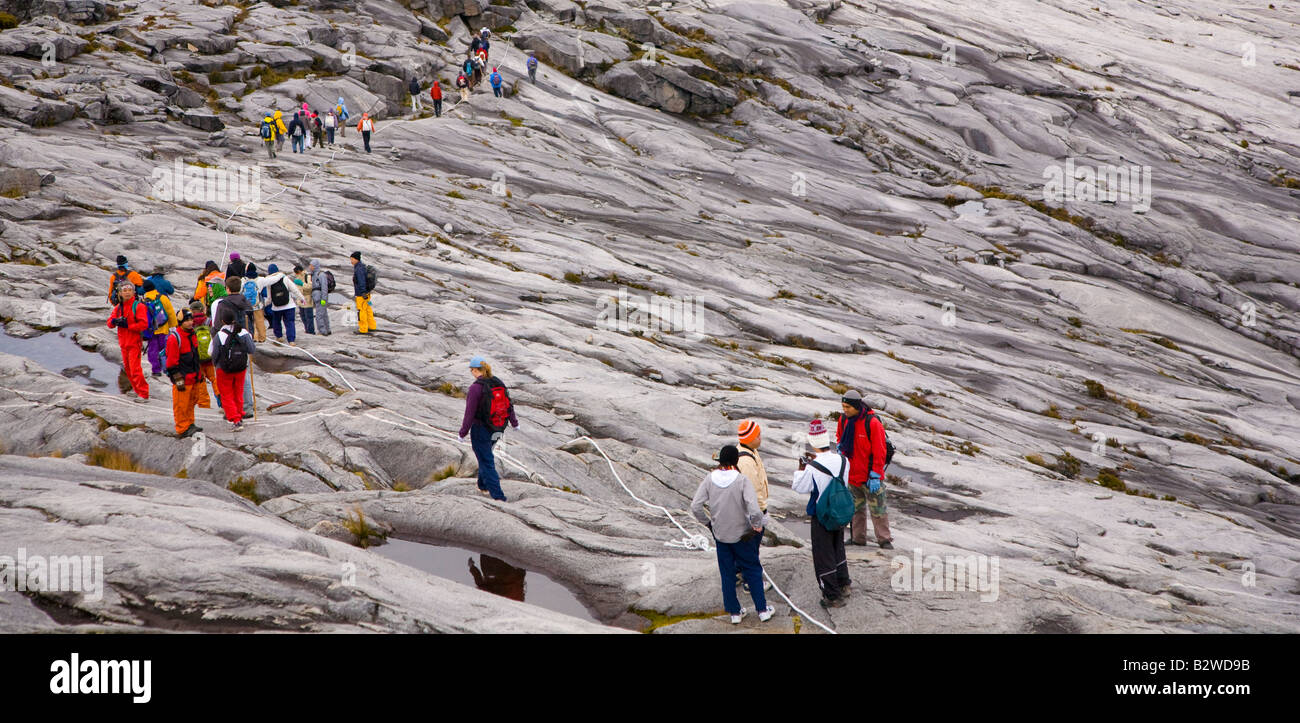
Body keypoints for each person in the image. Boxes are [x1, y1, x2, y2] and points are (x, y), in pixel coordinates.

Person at [690, 444, 776, 625]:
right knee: (752, 570)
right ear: (736, 460)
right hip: (742, 535)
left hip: (721, 535)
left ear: (719, 460)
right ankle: (762, 611)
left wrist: (708, 524)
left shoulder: (709, 479)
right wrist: (757, 526)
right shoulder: (742, 480)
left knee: (727, 574)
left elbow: (695, 506)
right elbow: (754, 509)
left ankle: (735, 613)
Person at [792, 419, 851, 608]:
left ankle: (832, 596)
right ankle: (844, 583)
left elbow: (800, 487)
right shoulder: (843, 460)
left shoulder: (813, 467)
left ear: (813, 442)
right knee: (838, 547)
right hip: (840, 510)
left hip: (822, 514)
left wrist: (802, 468)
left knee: (823, 554)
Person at [836, 390, 892, 548]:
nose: (845, 410)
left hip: (870, 477)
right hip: (852, 475)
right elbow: (839, 437)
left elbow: (880, 450)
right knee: (855, 509)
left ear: (856, 406)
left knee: (878, 510)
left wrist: (875, 474)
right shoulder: (843, 420)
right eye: (843, 406)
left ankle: (884, 540)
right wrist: (840, 448)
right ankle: (857, 539)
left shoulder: (872, 423)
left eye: (847, 406)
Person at [457, 356, 518, 502]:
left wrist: (463, 433)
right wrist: (514, 422)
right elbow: (509, 404)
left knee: (487, 461)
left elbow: (469, 413)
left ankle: (498, 497)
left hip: (481, 429)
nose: (471, 372)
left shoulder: (475, 388)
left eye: (471, 370)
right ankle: (482, 485)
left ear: (475, 370)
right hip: (498, 428)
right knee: (486, 455)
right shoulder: (498, 382)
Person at [209, 306, 256, 431]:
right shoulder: (244, 332)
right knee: (238, 392)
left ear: (223, 321)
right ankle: (240, 414)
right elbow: (251, 349)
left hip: (224, 369)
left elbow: (214, 353)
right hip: (240, 367)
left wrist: (215, 364)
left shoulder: (220, 335)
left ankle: (235, 419)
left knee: (226, 394)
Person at [106, 281, 150, 402]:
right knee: (128, 369)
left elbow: (144, 324)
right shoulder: (118, 308)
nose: (127, 292)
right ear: (120, 293)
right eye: (124, 290)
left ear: (133, 292)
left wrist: (128, 325)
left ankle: (143, 393)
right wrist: (114, 322)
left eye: (129, 290)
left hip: (134, 342)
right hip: (123, 343)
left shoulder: (139, 306)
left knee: (135, 369)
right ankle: (136, 390)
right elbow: (109, 323)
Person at [165, 310, 203, 438]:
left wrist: (199, 374)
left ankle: (190, 424)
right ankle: (182, 428)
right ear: (180, 322)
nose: (190, 322)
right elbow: (171, 362)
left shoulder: (192, 334)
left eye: (191, 320)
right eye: (186, 320)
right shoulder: (174, 338)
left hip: (193, 376)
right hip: (183, 378)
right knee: (181, 405)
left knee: (191, 402)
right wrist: (177, 378)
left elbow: (196, 356)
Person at [261, 263, 305, 345]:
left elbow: (269, 298)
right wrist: (302, 298)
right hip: (289, 305)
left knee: (276, 322)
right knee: (290, 322)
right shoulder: (284, 278)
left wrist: (263, 305)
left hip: (276, 307)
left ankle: (279, 337)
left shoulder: (269, 281)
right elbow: (294, 289)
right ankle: (291, 340)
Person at [141, 279, 177, 376]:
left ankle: (156, 370)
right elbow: (170, 313)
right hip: (163, 329)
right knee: (165, 349)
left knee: (153, 350)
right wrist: (173, 326)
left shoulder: (144, 301)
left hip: (151, 331)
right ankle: (166, 368)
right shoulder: (162, 298)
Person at [188, 299, 215, 410]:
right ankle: (222, 400)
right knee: (214, 379)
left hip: (196, 357)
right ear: (202, 310)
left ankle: (204, 405)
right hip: (210, 356)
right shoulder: (209, 321)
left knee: (201, 381)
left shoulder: (190, 323)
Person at [240, 264, 267, 342]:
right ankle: (262, 338)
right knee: (259, 321)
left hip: (246, 305)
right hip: (257, 305)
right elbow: (272, 280)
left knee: (249, 322)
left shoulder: (243, 280)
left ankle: (253, 337)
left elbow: (240, 291)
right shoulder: (261, 279)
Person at [349, 251, 374, 333]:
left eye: (352, 259)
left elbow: (361, 281)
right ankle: (372, 326)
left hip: (361, 294)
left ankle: (363, 329)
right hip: (367, 293)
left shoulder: (359, 268)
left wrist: (362, 292)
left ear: (356, 259)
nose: (351, 261)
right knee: (368, 309)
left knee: (361, 311)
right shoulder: (361, 267)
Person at [309, 259, 332, 336]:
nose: (310, 267)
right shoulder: (314, 275)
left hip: (320, 298)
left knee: (319, 315)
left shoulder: (321, 275)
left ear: (315, 266)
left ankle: (322, 331)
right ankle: (327, 329)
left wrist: (324, 299)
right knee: (324, 314)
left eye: (311, 265)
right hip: (317, 297)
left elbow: (324, 287)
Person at [293, 264, 315, 335]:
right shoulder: (297, 278)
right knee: (303, 316)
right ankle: (306, 329)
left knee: (308, 316)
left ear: (299, 271)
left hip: (307, 299)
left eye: (296, 273)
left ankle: (311, 331)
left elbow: (310, 287)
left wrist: (302, 284)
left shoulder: (307, 276)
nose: (295, 275)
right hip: (300, 300)